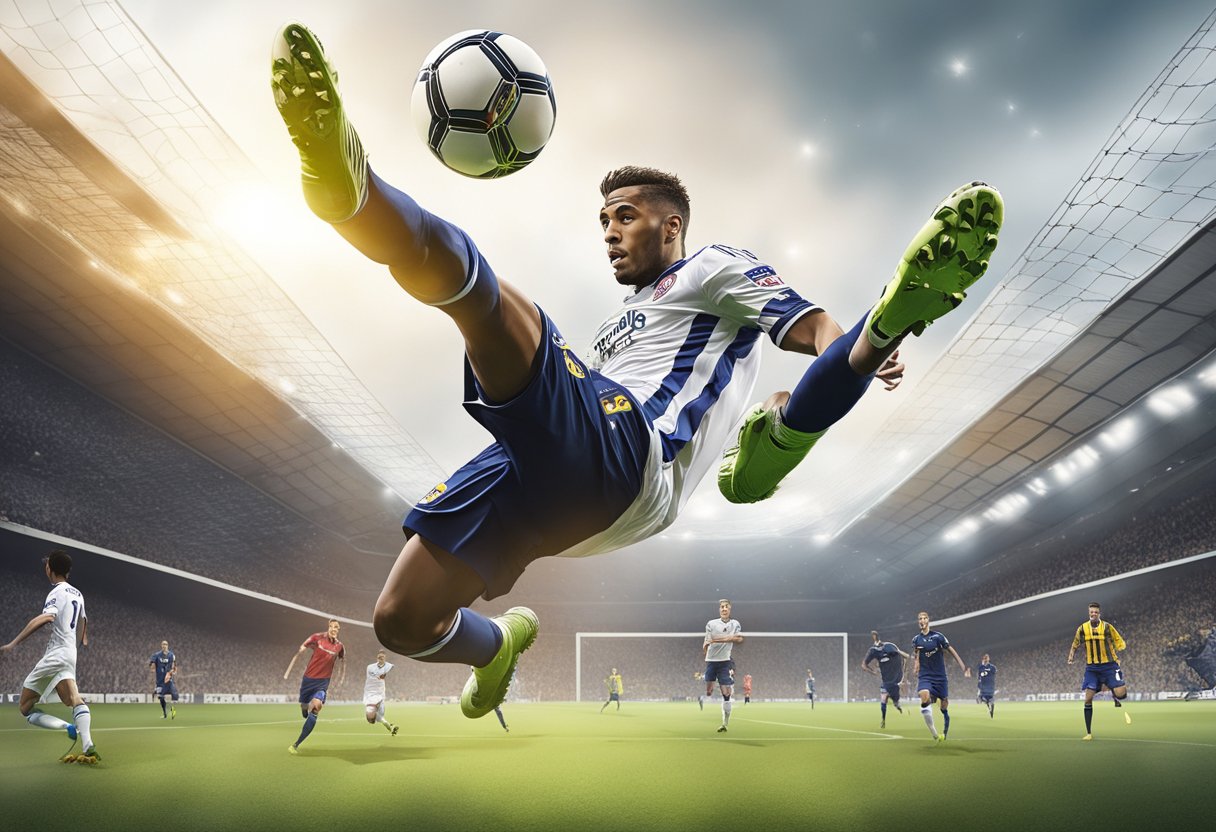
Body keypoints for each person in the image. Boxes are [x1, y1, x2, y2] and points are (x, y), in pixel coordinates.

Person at [269, 23, 1003, 721]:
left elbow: (806, 324)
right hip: (560, 477)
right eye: (604, 223)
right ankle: (495, 647)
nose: (611, 233)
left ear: (671, 225)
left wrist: (849, 349)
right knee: (400, 621)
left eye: (623, 217)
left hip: (631, 452)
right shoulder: (623, 322)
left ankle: (349, 189)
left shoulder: (713, 267)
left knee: (492, 306)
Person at [0, 550, 98, 763]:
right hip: (70, 653)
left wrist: (13, 643)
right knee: (72, 699)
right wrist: (82, 640)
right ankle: (88, 743)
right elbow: (83, 622)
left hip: (56, 653)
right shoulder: (78, 594)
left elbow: (46, 617)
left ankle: (67, 727)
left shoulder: (56, 592)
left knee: (25, 706)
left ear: (49, 569)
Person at [1068, 602, 1131, 740]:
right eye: (1091, 612)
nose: (1093, 614)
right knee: (1088, 699)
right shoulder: (1082, 629)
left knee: (1122, 694)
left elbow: (1118, 640)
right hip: (1092, 668)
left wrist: (1119, 648)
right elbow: (1075, 644)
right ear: (1089, 613)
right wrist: (1071, 656)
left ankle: (1113, 692)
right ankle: (1089, 733)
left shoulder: (1107, 627)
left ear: (1099, 613)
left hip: (1109, 665)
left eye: (1095, 612)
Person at [283, 618, 346, 754]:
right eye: (333, 627)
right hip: (308, 680)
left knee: (317, 706)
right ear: (328, 627)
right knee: (304, 706)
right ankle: (304, 708)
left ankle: (296, 744)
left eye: (338, 628)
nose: (335, 629)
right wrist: (300, 651)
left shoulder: (340, 646)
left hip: (322, 683)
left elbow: (342, 661)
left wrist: (341, 677)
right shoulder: (317, 638)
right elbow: (303, 647)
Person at [911, 611, 970, 743]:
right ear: (918, 622)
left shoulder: (938, 637)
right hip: (925, 675)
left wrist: (963, 667)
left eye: (924, 618)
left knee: (944, 706)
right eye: (919, 618)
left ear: (928, 620)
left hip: (940, 677)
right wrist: (916, 665)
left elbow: (951, 651)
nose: (922, 620)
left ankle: (945, 730)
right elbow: (916, 654)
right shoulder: (916, 640)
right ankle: (934, 733)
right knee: (924, 696)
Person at [704, 599, 743, 733]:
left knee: (726, 694)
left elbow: (738, 639)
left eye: (726, 607)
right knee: (708, 692)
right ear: (719, 609)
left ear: (730, 609)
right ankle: (712, 684)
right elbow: (707, 642)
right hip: (711, 661)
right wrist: (706, 649)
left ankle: (725, 724)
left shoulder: (735, 624)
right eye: (722, 607)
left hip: (725, 662)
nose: (724, 609)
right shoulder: (711, 623)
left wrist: (719, 639)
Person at [862, 630, 909, 728]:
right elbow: (864, 665)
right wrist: (873, 672)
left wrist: (899, 653)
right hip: (886, 681)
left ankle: (897, 705)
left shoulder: (891, 649)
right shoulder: (876, 653)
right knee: (883, 699)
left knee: (891, 699)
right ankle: (883, 720)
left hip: (894, 680)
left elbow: (906, 656)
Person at [364, 650, 399, 735]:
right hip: (370, 693)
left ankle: (390, 727)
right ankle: (390, 727)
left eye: (382, 657)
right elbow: (377, 674)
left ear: (385, 658)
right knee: (379, 716)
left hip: (381, 694)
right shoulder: (370, 667)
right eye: (379, 657)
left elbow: (394, 667)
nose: (380, 658)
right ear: (377, 658)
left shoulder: (388, 666)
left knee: (381, 716)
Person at [149, 640, 179, 720]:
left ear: (167, 645)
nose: (164, 646)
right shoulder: (156, 655)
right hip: (159, 681)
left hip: (168, 680)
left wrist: (174, 671)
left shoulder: (172, 655)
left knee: (174, 696)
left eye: (165, 644)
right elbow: (152, 664)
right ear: (161, 645)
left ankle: (172, 710)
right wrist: (152, 667)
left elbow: (175, 665)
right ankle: (165, 713)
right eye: (163, 644)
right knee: (161, 698)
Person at [976, 653, 997, 718]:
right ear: (983, 659)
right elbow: (979, 677)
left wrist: (985, 670)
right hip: (983, 686)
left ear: (989, 659)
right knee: (985, 700)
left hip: (990, 686)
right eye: (984, 658)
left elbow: (994, 673)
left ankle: (991, 710)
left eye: (986, 658)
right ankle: (989, 708)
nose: (985, 659)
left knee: (989, 700)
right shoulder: (981, 667)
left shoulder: (992, 667)